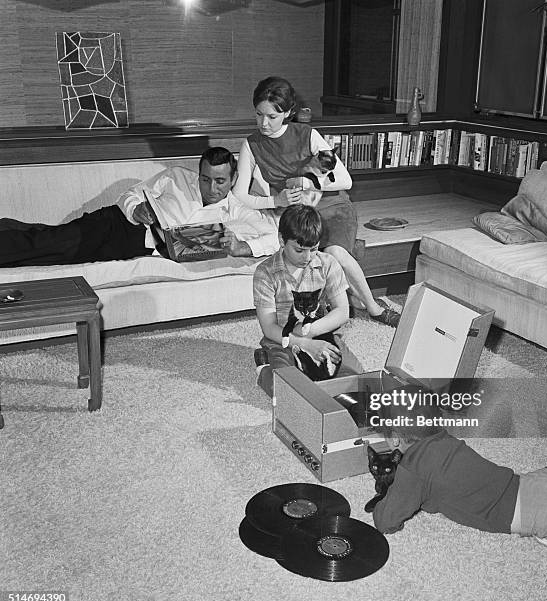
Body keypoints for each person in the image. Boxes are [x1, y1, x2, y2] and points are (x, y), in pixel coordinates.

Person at [233, 75, 400, 328]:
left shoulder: (307, 134)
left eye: (272, 117)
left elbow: (345, 180)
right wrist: (273, 200)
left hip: (334, 207)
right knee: (303, 253)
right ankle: (335, 305)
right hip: (301, 216)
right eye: (258, 115)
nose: (263, 123)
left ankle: (374, 308)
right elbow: (239, 195)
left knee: (333, 253)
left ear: (288, 112)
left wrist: (308, 182)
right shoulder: (251, 145)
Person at [0, 147, 279, 267]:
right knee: (48, 242)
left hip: (134, 248)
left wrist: (243, 248)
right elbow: (130, 194)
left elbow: (276, 236)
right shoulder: (177, 176)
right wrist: (136, 209)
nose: (211, 188)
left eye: (220, 181)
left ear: (233, 180)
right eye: (206, 179)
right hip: (116, 224)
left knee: (53, 255)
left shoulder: (237, 211)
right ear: (199, 173)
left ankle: (7, 228)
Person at [372, 429, 547, 553]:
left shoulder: (413, 470)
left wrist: (392, 491)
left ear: (394, 440)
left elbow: (385, 521)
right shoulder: (444, 439)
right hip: (545, 480)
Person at [252, 204, 363, 397]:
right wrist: (304, 344)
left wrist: (311, 333)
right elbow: (269, 327)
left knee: (357, 384)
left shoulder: (327, 263)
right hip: (282, 340)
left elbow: (342, 311)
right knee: (292, 395)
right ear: (281, 240)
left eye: (313, 249)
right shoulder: (265, 273)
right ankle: (264, 368)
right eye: (299, 250)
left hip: (320, 332)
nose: (308, 257)